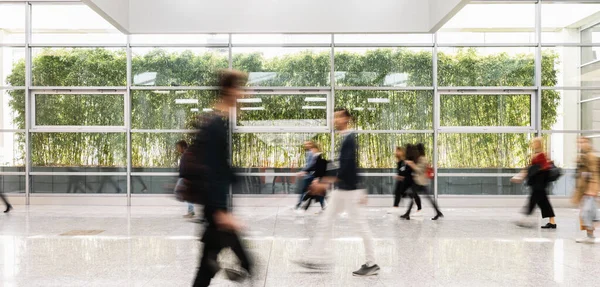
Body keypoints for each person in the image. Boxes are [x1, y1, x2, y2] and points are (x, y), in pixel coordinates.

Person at [294, 108, 380, 277]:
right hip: (342, 190)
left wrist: (326, 182)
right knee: (326, 221)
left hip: (350, 191)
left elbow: (348, 168)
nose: (336, 120)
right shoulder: (345, 138)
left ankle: (372, 263)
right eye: (334, 117)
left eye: (339, 117)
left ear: (347, 119)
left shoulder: (350, 139)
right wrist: (326, 180)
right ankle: (314, 258)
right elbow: (347, 166)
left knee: (361, 226)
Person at [192, 70, 252, 287]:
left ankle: (213, 265)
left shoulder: (221, 123)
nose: (244, 93)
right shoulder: (215, 125)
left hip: (216, 208)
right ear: (230, 90)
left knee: (205, 269)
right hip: (217, 210)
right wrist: (220, 211)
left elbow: (220, 167)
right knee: (248, 264)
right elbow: (211, 170)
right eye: (241, 88)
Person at [513, 137, 557, 229]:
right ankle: (552, 222)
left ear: (539, 144)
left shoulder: (542, 155)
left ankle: (524, 218)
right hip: (537, 182)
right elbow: (529, 167)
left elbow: (544, 167)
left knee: (533, 200)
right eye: (533, 143)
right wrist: (521, 176)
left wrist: (537, 169)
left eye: (535, 143)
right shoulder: (535, 155)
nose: (533, 144)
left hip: (539, 183)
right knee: (543, 202)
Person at [401, 143, 442, 221]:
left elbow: (419, 170)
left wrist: (412, 164)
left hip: (420, 182)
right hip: (420, 181)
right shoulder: (421, 158)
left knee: (415, 196)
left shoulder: (423, 159)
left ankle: (408, 213)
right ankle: (437, 212)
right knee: (416, 196)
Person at [573, 137, 599, 243]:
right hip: (586, 191)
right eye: (579, 142)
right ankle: (590, 235)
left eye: (583, 142)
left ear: (588, 143)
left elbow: (594, 174)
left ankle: (590, 236)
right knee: (590, 214)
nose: (580, 144)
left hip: (590, 191)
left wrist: (594, 190)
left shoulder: (591, 156)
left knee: (586, 213)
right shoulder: (583, 156)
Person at [388, 145, 421, 214]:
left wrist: (403, 176)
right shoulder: (399, 162)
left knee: (413, 194)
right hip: (402, 180)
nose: (396, 152)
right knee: (398, 192)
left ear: (402, 152)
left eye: (398, 151)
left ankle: (419, 208)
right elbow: (400, 171)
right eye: (396, 151)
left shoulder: (407, 160)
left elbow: (410, 170)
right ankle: (396, 206)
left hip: (409, 180)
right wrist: (399, 176)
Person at [301, 143, 328, 212]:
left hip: (317, 178)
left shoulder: (318, 157)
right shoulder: (316, 156)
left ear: (316, 149)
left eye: (312, 149)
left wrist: (317, 178)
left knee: (314, 193)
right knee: (315, 194)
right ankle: (323, 207)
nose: (311, 151)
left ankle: (304, 208)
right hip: (316, 178)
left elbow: (318, 168)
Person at [176, 140, 195, 218]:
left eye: (178, 147)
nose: (178, 149)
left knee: (186, 193)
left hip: (186, 178)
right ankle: (191, 211)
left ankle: (191, 211)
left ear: (183, 147)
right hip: (186, 177)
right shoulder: (187, 154)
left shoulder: (187, 155)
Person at [295, 141, 315, 210]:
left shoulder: (311, 153)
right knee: (312, 192)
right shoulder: (309, 152)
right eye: (305, 144)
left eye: (308, 144)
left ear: (311, 144)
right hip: (309, 175)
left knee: (304, 191)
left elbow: (310, 165)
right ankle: (299, 205)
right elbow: (308, 164)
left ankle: (299, 205)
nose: (306, 145)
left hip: (310, 176)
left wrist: (303, 171)